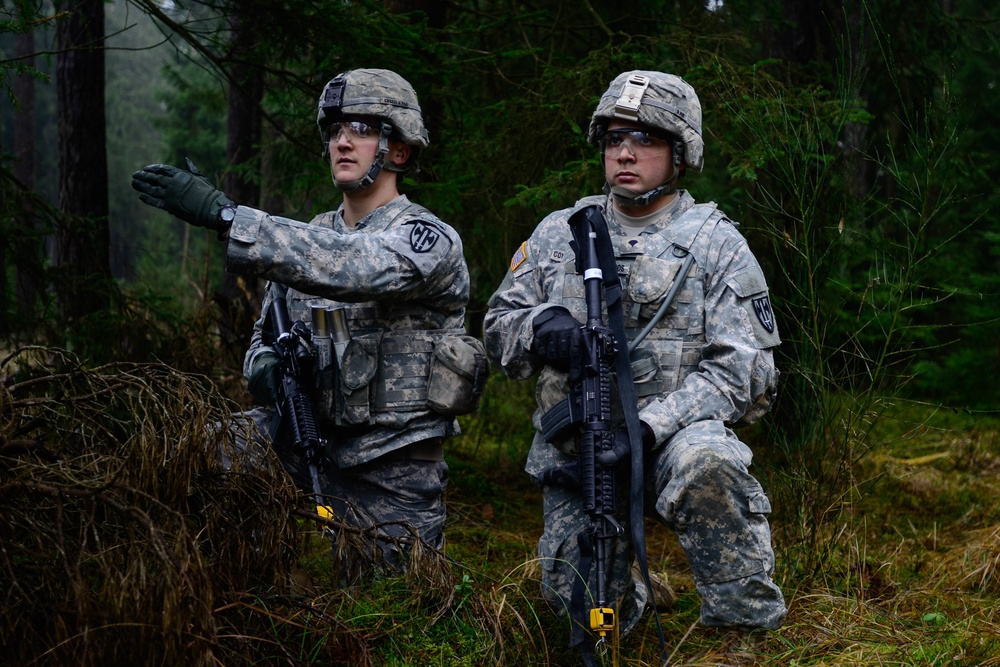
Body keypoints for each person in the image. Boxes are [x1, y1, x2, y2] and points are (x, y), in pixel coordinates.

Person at [132, 68, 486, 575]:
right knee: (195, 459)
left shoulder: (427, 238)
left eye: (362, 128)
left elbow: (357, 266)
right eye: (336, 129)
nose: (343, 140)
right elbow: (265, 328)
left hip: (390, 465)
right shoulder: (305, 238)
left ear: (399, 150)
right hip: (305, 436)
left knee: (388, 609)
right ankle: (249, 588)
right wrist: (263, 362)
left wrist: (230, 218)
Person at [483, 70, 786, 642]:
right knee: (586, 614)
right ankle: (637, 591)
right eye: (614, 138)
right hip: (583, 450)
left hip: (673, 441)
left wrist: (648, 429)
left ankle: (738, 633)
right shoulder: (558, 234)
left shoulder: (715, 243)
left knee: (710, 466)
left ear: (680, 152)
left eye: (645, 139)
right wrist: (540, 330)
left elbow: (744, 369)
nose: (625, 152)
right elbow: (497, 327)